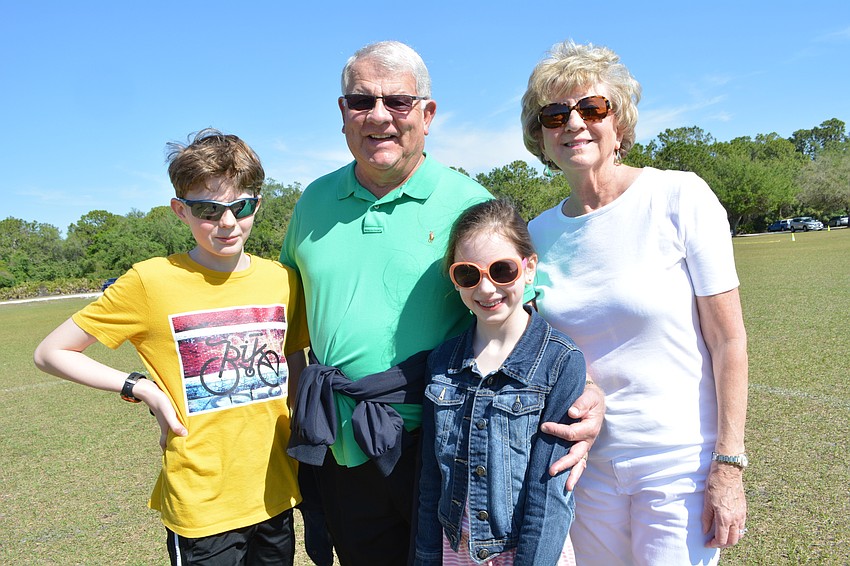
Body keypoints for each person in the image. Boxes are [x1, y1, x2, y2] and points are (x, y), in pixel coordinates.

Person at [280, 40, 605, 566]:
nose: (379, 116)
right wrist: (301, 398)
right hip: (342, 447)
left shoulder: (469, 202)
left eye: (398, 102)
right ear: (342, 113)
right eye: (361, 102)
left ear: (427, 115)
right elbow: (287, 317)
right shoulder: (312, 202)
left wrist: (585, 388)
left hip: (445, 445)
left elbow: (523, 314)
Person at [33, 129, 309, 565]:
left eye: (240, 207)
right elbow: (51, 353)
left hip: (275, 492)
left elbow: (294, 361)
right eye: (207, 210)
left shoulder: (283, 279)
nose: (227, 223)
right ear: (180, 210)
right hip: (201, 503)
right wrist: (142, 388)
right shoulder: (150, 281)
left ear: (256, 203)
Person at [520, 40, 749, 565]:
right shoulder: (536, 235)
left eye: (592, 108)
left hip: (679, 466)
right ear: (540, 136)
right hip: (582, 467)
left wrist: (728, 465)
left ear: (618, 121)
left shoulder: (680, 197)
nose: (573, 123)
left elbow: (728, 339)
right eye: (554, 115)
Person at [414, 199, 585, 565]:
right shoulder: (442, 361)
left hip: (526, 552)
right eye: (468, 274)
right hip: (454, 550)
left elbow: (551, 492)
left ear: (528, 268)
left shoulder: (561, 361)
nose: (487, 289)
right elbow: (431, 479)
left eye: (501, 270)